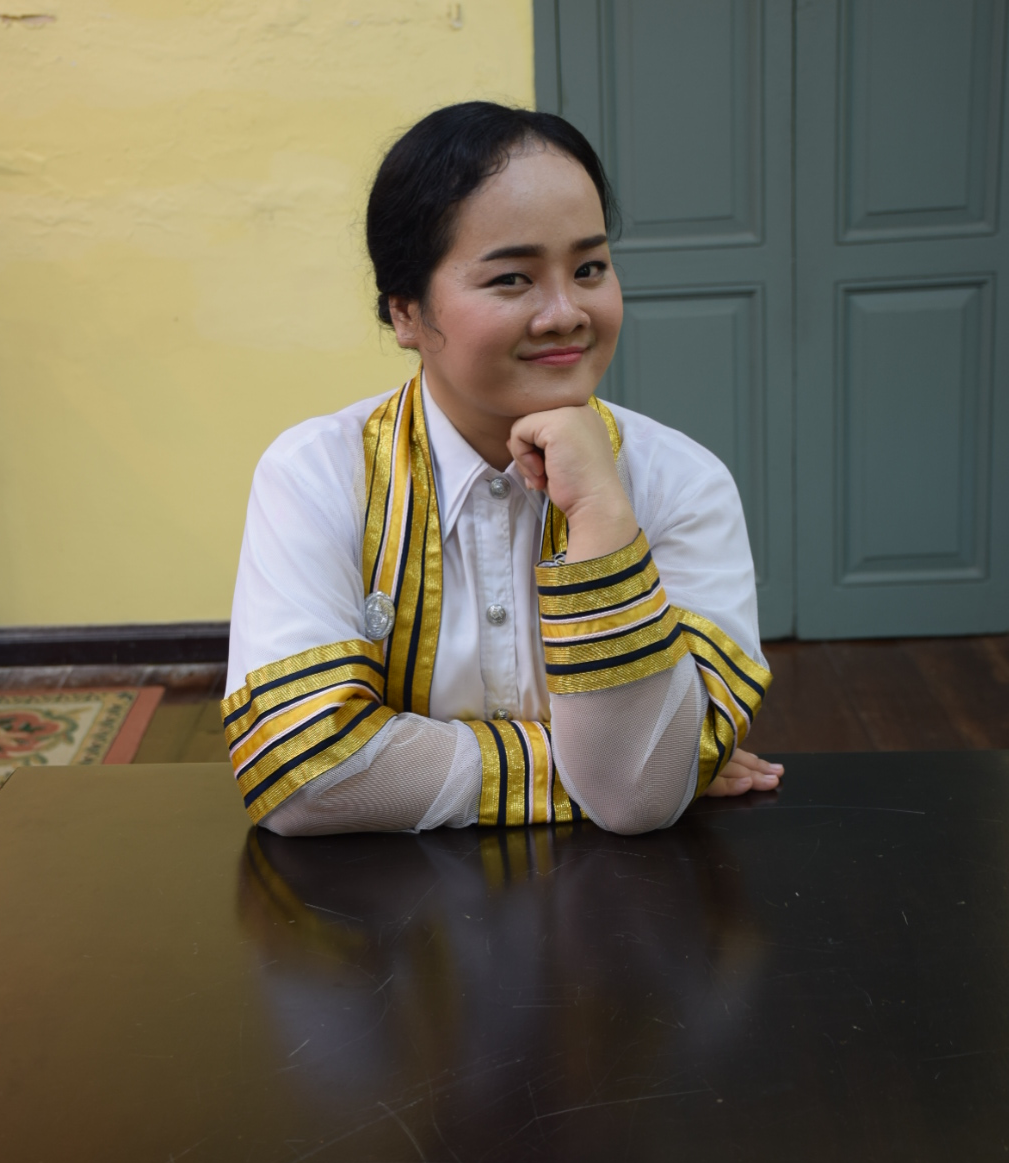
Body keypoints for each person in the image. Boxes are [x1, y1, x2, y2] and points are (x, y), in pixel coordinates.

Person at [222, 103, 783, 836]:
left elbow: (642, 794)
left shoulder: (681, 481)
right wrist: (611, 770)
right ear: (406, 313)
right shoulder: (317, 474)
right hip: (376, 905)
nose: (565, 313)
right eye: (513, 278)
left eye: (589, 268)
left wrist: (602, 516)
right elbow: (305, 774)